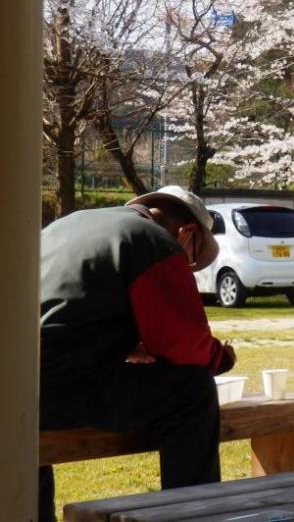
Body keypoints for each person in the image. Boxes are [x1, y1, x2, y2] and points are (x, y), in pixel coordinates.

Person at [38, 186, 237, 522]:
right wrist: (222, 359)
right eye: (192, 259)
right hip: (64, 384)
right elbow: (185, 345)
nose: (188, 268)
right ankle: (192, 514)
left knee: (26, 449)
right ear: (186, 233)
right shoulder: (152, 241)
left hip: (19, 382)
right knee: (192, 392)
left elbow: (67, 313)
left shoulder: (66, 225)